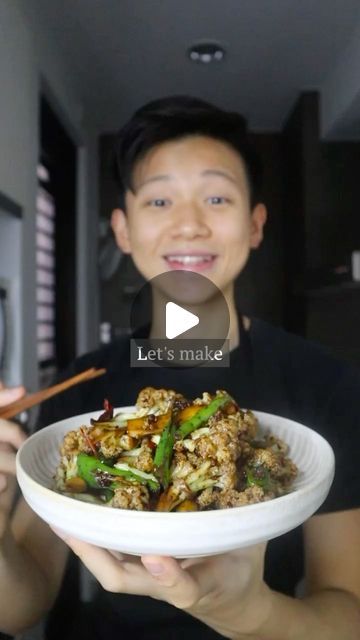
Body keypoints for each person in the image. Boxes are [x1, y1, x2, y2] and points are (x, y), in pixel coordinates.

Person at [1, 96, 360, 640]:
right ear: (122, 229)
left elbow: (349, 612)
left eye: (217, 197)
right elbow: (19, 608)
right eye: (160, 201)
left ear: (255, 224)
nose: (189, 225)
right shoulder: (81, 389)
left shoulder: (325, 383)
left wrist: (248, 613)